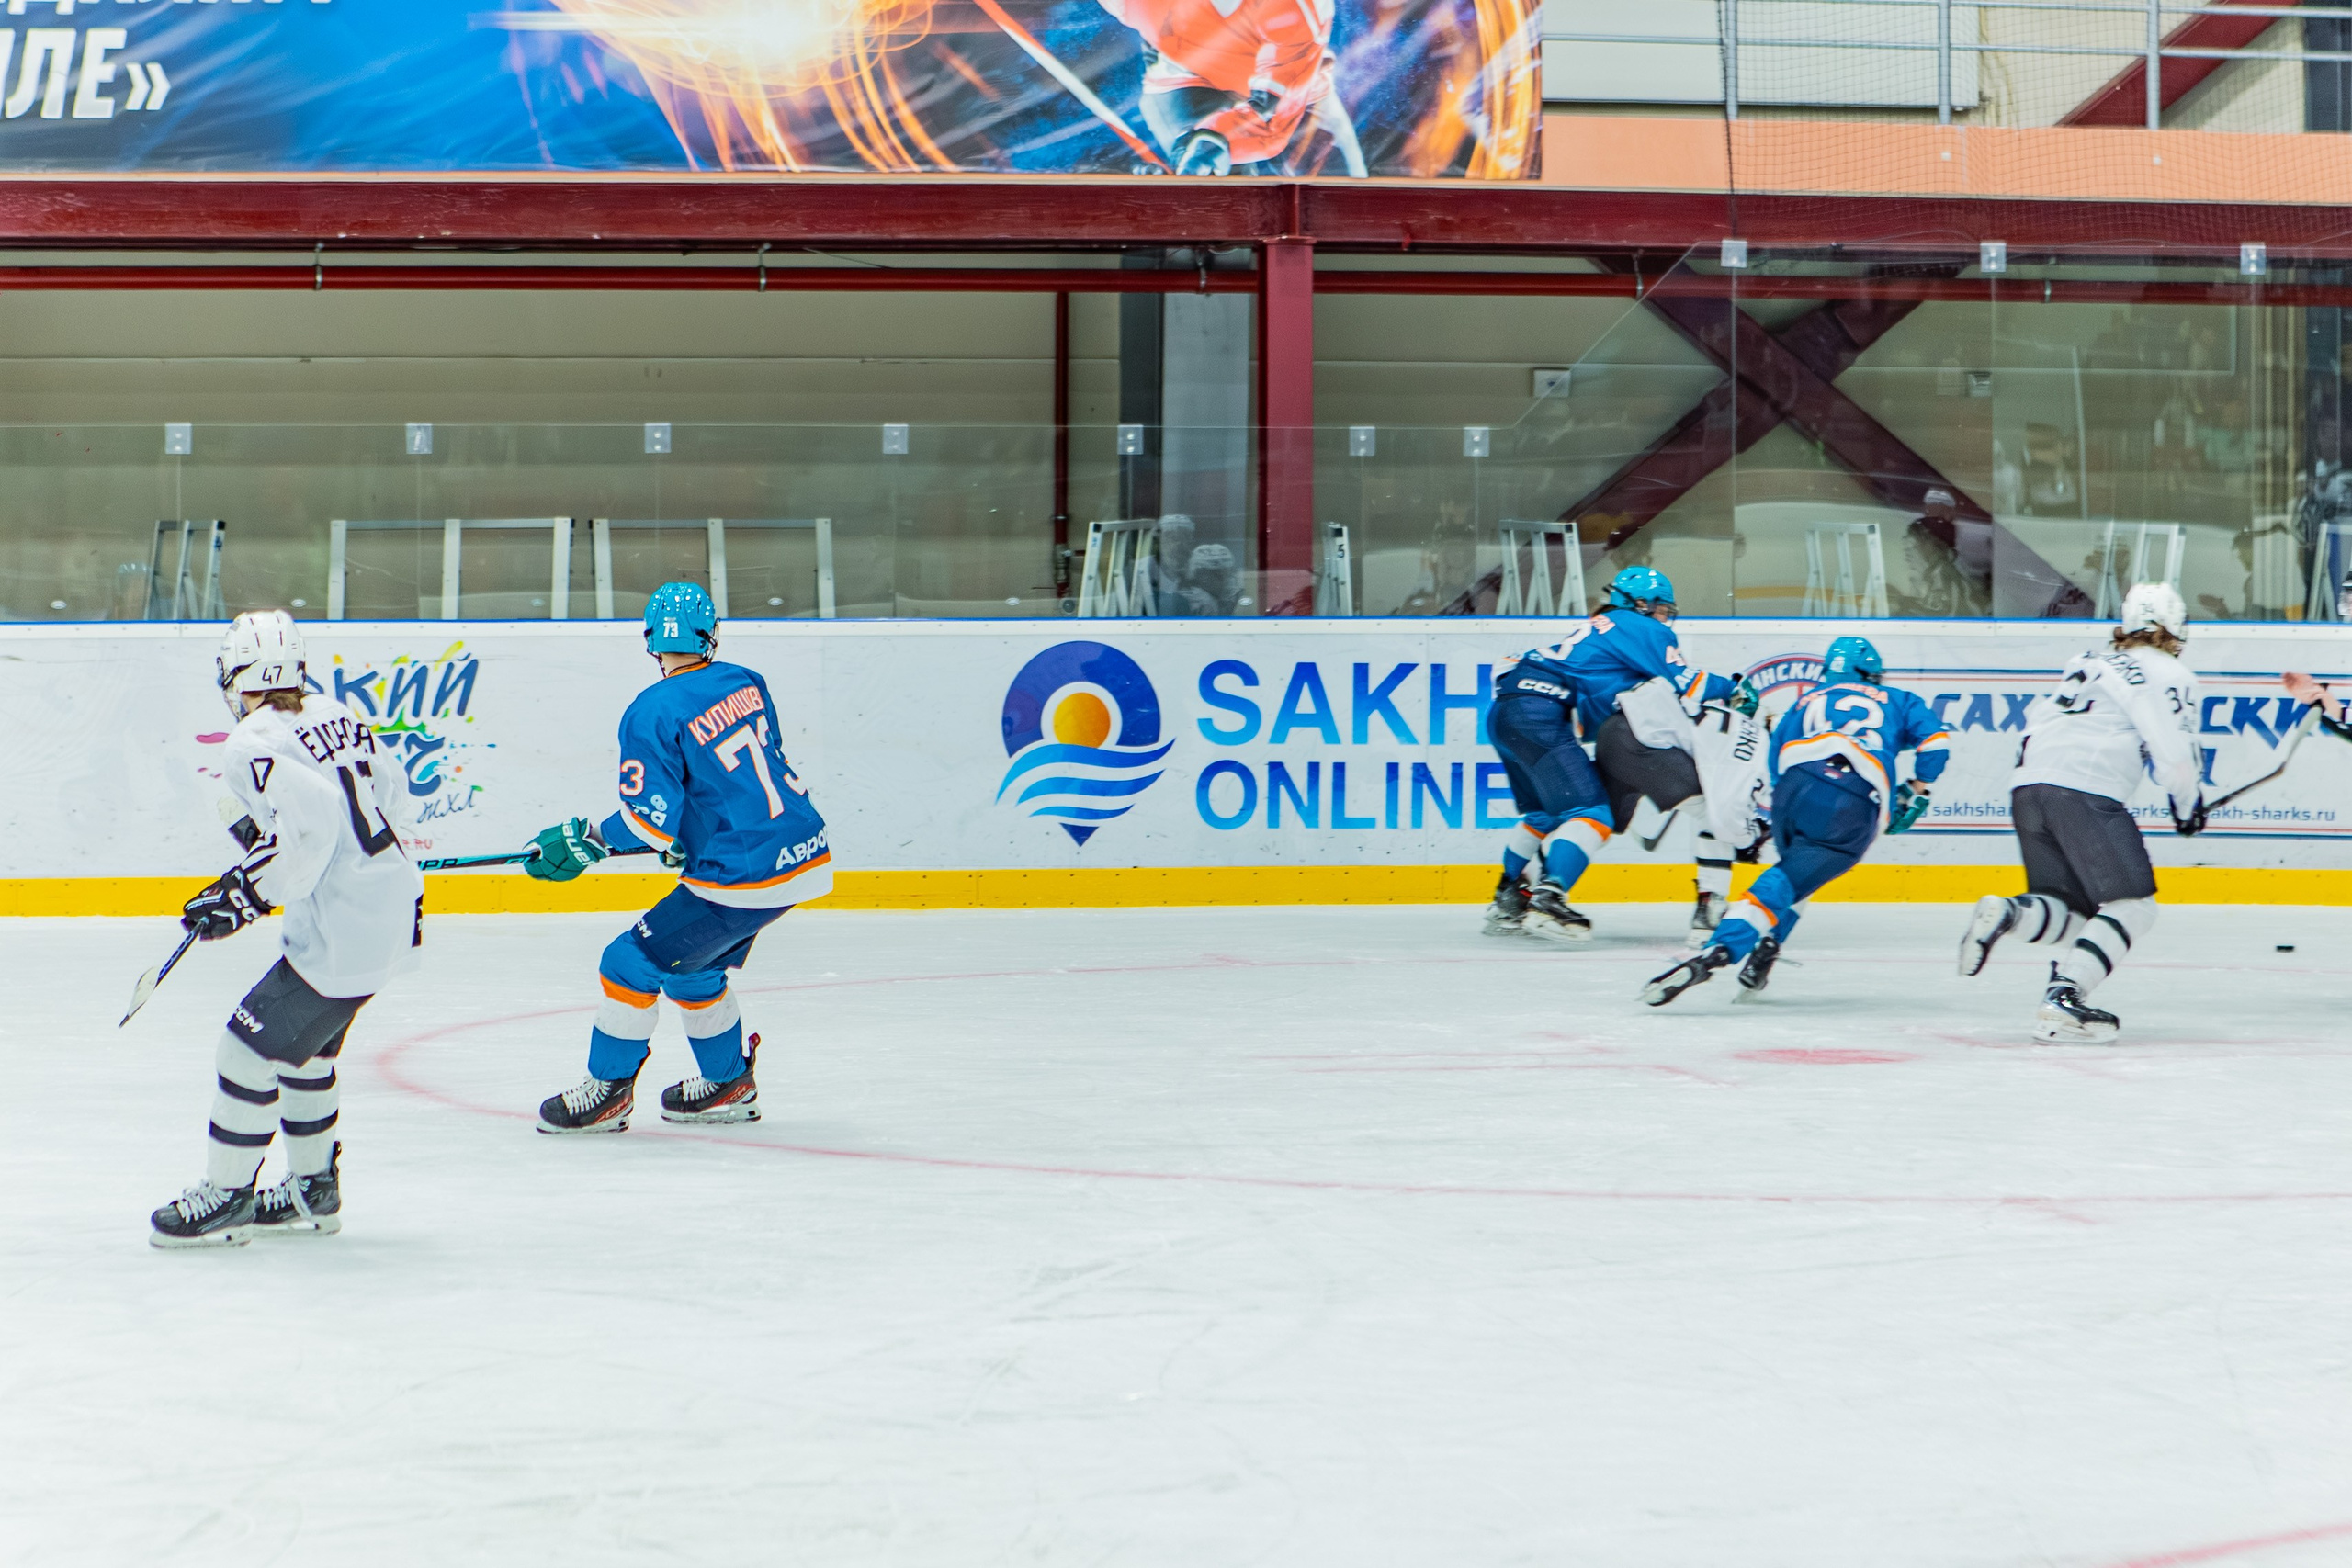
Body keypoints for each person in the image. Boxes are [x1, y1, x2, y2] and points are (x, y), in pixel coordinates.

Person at [149, 611, 423, 1247]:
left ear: (234, 676)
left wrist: (246, 894)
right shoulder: (337, 712)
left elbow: (314, 826)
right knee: (306, 1052)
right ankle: (313, 1189)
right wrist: (256, 860)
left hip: (343, 927)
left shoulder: (250, 741)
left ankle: (227, 1196)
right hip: (391, 909)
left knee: (244, 1048)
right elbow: (395, 797)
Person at [527, 582, 831, 1133]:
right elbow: (738, 774)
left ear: (649, 638)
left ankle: (608, 1093)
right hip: (800, 854)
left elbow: (647, 819)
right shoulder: (747, 681)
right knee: (695, 968)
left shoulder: (651, 710)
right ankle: (727, 1083)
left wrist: (587, 838)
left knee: (628, 964)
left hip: (741, 874)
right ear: (711, 634)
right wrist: (687, 837)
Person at [1956, 583, 2203, 1043]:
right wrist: (2188, 805)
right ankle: (2064, 998)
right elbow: (2176, 754)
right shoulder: (2169, 672)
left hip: (2028, 789)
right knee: (2134, 908)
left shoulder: (2087, 663)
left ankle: (2008, 913)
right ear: (2171, 628)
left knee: (2072, 914)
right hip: (2085, 792)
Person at [1642, 636, 1948, 1006]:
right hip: (1853, 797)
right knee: (1791, 878)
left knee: (1795, 871)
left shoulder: (1806, 699)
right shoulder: (1901, 700)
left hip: (1793, 787)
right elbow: (1935, 748)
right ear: (1868, 673)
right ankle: (1721, 948)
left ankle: (1767, 949)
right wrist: (1916, 789)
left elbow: (1775, 758)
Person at [1484, 566, 1736, 943]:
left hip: (1505, 713)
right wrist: (1735, 686)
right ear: (1641, 604)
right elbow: (1688, 682)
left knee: (1545, 813)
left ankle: (1508, 898)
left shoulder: (1597, 630)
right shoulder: (1639, 626)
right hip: (1539, 714)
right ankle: (1548, 899)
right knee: (1591, 813)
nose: (1666, 619)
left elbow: (1509, 668)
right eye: (1663, 609)